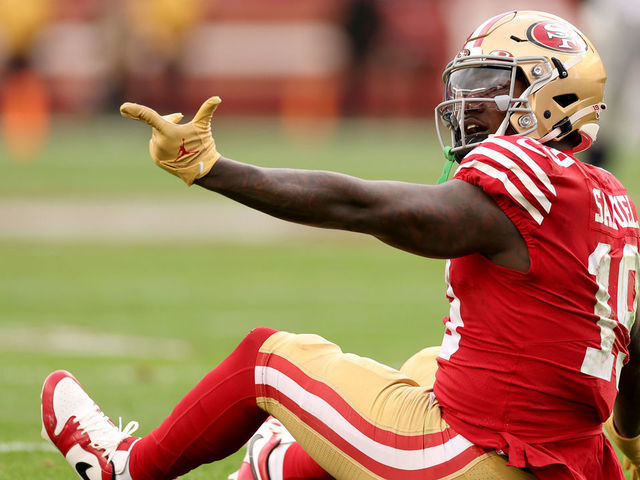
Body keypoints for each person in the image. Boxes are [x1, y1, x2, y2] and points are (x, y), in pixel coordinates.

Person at [40, 10, 640, 480]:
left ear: (552, 99)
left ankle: (127, 467)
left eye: (491, 83)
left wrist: (214, 170)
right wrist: (634, 449)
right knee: (425, 367)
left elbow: (364, 205)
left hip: (476, 456)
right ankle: (274, 468)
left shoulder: (523, 176)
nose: (471, 102)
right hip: (572, 463)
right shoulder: (611, 200)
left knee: (267, 359)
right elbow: (632, 359)